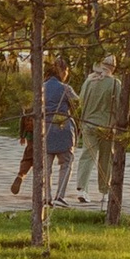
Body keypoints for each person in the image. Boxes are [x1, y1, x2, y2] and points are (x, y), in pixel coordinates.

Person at [74, 55, 124, 202]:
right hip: (106, 126)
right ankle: (104, 191)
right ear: (113, 68)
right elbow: (119, 106)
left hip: (87, 124)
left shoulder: (89, 82)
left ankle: (82, 189)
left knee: (87, 156)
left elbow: (80, 101)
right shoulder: (115, 84)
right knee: (105, 159)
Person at [43, 59, 75, 205]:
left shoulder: (42, 87)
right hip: (63, 128)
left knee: (46, 166)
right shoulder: (65, 88)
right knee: (66, 163)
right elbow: (77, 103)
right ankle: (60, 195)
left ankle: (46, 196)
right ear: (63, 71)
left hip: (45, 129)